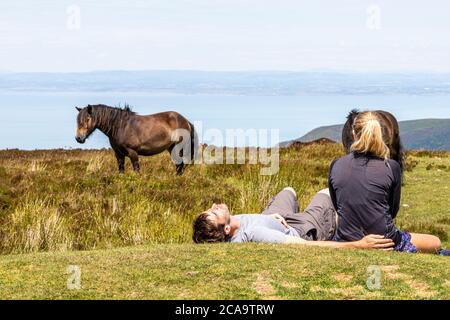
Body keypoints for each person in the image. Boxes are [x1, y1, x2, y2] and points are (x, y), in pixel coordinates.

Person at [328, 111, 448, 255]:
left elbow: (337, 206)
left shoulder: (335, 165)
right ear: (378, 133)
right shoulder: (391, 166)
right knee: (435, 242)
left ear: (353, 133)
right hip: (385, 240)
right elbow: (392, 210)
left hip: (346, 239)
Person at [192, 186, 395, 250]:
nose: (214, 206)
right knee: (326, 192)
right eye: (215, 212)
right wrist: (357, 245)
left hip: (272, 217)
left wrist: (269, 219)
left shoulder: (235, 225)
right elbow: (302, 246)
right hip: (301, 229)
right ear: (226, 230)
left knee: (288, 190)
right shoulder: (256, 233)